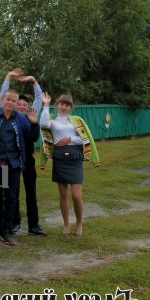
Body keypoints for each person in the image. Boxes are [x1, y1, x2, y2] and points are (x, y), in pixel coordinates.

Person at [0, 89, 39, 246]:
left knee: (10, 198)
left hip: (13, 164)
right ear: (2, 100)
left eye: (14, 100)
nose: (11, 103)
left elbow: (32, 137)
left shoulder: (19, 118)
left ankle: (6, 231)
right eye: (8, 99)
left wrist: (34, 123)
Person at [40, 92, 100, 237]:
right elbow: (43, 124)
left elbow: (84, 138)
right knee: (63, 194)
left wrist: (69, 138)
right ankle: (66, 225)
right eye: (61, 104)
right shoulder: (52, 121)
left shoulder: (77, 120)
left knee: (76, 196)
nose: (63, 107)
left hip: (74, 157)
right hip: (60, 157)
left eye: (67, 105)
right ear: (57, 104)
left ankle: (79, 225)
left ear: (70, 107)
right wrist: (46, 105)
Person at [0, 70, 46, 236]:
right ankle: (15, 222)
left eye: (25, 105)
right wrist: (8, 77)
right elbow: (4, 95)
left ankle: (34, 225)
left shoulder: (30, 117)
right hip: (13, 160)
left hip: (28, 161)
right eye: (19, 104)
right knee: (13, 193)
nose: (22, 106)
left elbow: (39, 99)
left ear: (28, 108)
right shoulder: (10, 117)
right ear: (14, 105)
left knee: (31, 193)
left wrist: (33, 80)